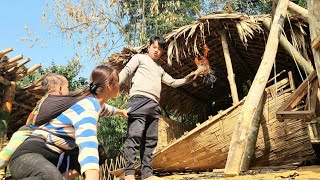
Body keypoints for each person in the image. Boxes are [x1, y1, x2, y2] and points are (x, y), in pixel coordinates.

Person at [8, 65, 121, 180]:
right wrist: (93, 175)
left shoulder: (92, 103)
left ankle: (62, 178)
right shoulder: (88, 106)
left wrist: (122, 112)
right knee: (50, 177)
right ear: (109, 86)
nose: (120, 85)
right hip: (28, 156)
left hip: (55, 158)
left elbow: (105, 109)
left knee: (99, 152)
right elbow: (87, 141)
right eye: (118, 81)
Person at [119, 36, 195, 180]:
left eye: (160, 49)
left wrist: (186, 79)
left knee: (151, 140)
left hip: (154, 104)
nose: (156, 51)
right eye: (154, 47)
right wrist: (114, 84)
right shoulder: (139, 58)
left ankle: (147, 174)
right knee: (134, 136)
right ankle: (129, 172)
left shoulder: (159, 69)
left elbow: (172, 82)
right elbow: (127, 71)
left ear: (162, 52)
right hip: (138, 101)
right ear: (148, 47)